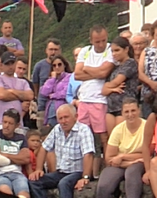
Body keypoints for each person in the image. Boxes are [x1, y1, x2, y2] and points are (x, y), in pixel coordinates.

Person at [29, 104, 95, 198]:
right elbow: (44, 148)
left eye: (66, 117)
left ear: (76, 117)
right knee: (34, 181)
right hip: (60, 172)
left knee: (64, 184)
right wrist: (38, 169)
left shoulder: (84, 130)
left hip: (78, 172)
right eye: (60, 118)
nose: (63, 121)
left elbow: (88, 154)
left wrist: (85, 177)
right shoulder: (57, 129)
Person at [96, 98, 146, 198]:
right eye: (127, 111)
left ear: (139, 111)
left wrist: (123, 156)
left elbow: (147, 154)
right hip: (123, 164)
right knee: (104, 183)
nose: (130, 114)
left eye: (133, 110)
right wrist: (131, 160)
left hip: (139, 163)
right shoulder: (118, 129)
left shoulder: (146, 127)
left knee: (132, 171)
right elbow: (109, 158)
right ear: (122, 114)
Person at [74, 25, 115, 162]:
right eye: (97, 41)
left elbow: (104, 73)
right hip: (84, 98)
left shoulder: (110, 49)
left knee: (103, 136)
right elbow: (77, 74)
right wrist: (96, 73)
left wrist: (87, 68)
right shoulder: (85, 51)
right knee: (83, 135)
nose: (101, 44)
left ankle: (108, 163)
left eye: (103, 40)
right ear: (91, 40)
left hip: (100, 99)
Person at [0, 109, 31, 198]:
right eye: (5, 122)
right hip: (0, 174)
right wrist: (17, 159)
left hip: (17, 174)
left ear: (17, 125)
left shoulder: (21, 138)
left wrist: (5, 155)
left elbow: (26, 159)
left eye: (10, 123)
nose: (6, 126)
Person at [102, 37, 140, 135]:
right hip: (111, 108)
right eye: (112, 51)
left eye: (117, 50)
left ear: (126, 49)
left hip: (124, 107)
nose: (114, 54)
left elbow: (117, 81)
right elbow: (104, 90)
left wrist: (110, 86)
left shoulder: (130, 63)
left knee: (123, 138)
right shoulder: (115, 68)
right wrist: (113, 89)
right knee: (112, 139)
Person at [0, 52, 34, 129]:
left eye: (12, 63)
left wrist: (11, 91)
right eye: (7, 64)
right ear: (1, 65)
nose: (10, 66)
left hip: (18, 125)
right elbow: (2, 95)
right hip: (0, 123)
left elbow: (30, 96)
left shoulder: (23, 82)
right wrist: (21, 96)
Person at [39, 55, 72, 127]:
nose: (57, 67)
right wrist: (52, 79)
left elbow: (66, 92)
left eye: (59, 64)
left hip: (64, 109)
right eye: (54, 65)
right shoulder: (51, 79)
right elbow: (44, 92)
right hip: (51, 112)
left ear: (64, 65)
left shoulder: (69, 77)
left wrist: (53, 95)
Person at [32, 38, 63, 110]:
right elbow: (35, 84)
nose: (53, 52)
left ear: (60, 51)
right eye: (51, 49)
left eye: (56, 50)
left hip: (60, 106)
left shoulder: (64, 65)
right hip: (43, 105)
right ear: (46, 50)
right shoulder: (39, 66)